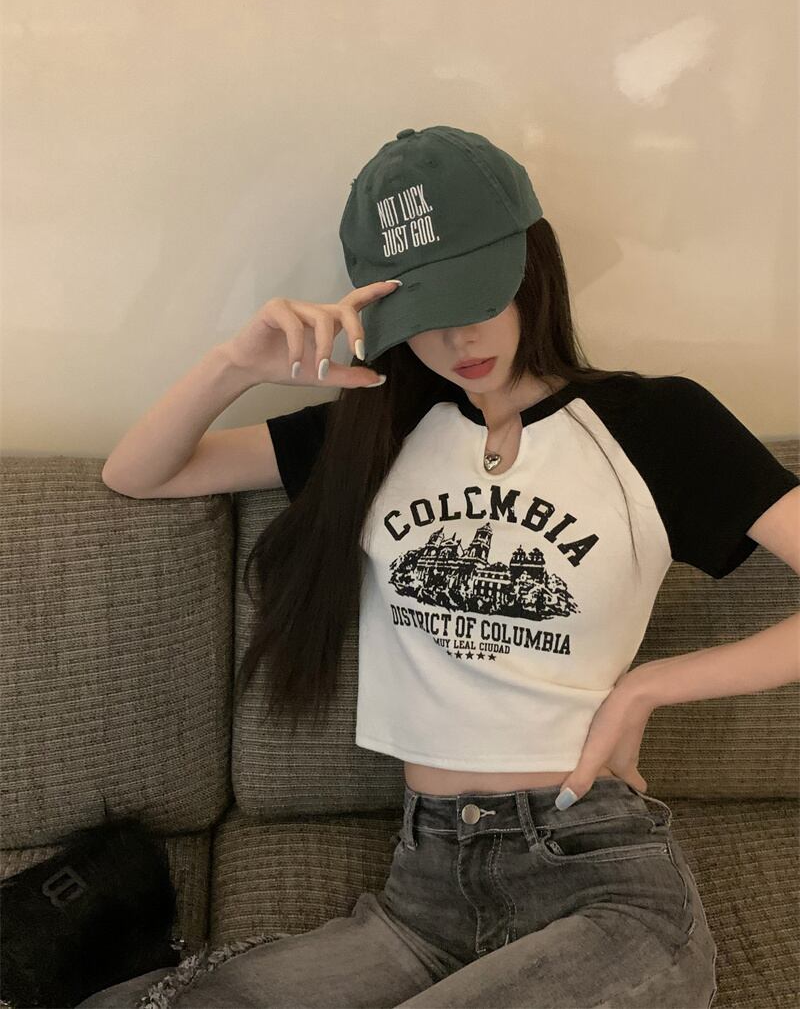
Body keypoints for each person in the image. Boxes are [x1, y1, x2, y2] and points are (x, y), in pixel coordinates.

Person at [80, 125, 797, 1008]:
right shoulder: (374, 434)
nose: (457, 338)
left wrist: (649, 687)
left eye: (476, 296)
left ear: (532, 267)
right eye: (422, 313)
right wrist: (236, 365)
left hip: (600, 882)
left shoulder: (658, 424)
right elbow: (140, 473)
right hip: (424, 895)